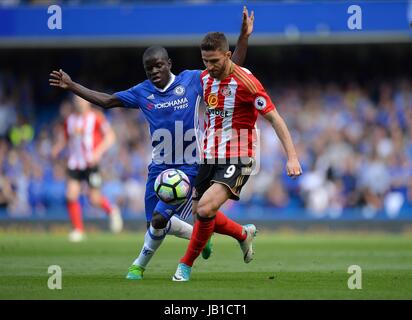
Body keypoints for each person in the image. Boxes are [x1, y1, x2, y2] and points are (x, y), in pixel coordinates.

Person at [49, 7, 254, 279]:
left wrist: (243, 37)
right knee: (154, 224)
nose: (155, 71)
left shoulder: (192, 80)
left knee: (161, 219)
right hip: (159, 167)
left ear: (169, 63)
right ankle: (212, 234)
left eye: (159, 65)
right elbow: (108, 101)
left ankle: (138, 266)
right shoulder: (141, 92)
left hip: (191, 165)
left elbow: (231, 69)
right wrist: (73, 86)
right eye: (149, 68)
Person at [172, 32, 302, 281]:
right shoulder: (204, 79)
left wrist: (292, 157)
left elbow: (275, 119)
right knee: (200, 211)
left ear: (227, 56)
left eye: (214, 62)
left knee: (207, 207)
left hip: (239, 155)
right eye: (205, 61)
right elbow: (217, 69)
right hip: (210, 154)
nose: (209, 67)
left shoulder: (248, 84)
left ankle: (184, 265)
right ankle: (243, 234)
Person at [51, 95, 123, 242]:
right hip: (74, 164)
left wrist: (98, 152)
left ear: (87, 102)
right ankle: (78, 230)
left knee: (94, 199)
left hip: (91, 164)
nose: (79, 102)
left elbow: (110, 136)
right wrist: (57, 148)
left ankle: (112, 210)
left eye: (82, 100)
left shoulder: (96, 117)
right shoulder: (69, 120)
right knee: (71, 194)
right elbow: (66, 138)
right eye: (76, 100)